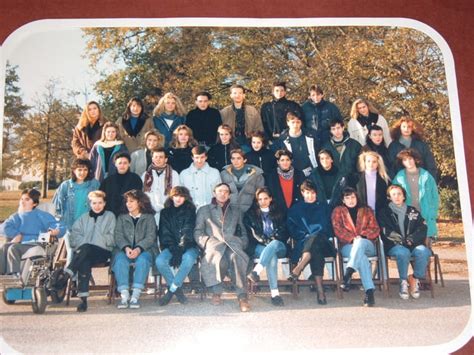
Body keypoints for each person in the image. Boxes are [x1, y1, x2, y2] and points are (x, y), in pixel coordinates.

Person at [194, 183, 250, 312]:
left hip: (233, 243)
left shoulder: (236, 210)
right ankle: (216, 292)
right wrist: (207, 242)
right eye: (220, 191)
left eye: (226, 191)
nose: (223, 194)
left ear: (229, 194)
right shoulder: (204, 210)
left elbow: (243, 231)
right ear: (214, 193)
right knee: (219, 259)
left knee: (237, 258)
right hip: (213, 244)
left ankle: (242, 296)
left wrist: (242, 242)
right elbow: (198, 232)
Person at [62, 191, 116, 312]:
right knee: (84, 259)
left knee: (85, 248)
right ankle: (83, 301)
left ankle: (67, 274)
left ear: (105, 203)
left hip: (103, 252)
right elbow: (74, 238)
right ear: (90, 204)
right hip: (85, 253)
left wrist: (96, 239)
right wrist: (87, 243)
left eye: (100, 203)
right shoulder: (83, 218)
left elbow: (113, 237)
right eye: (94, 203)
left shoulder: (110, 216)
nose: (97, 206)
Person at [286, 180, 336, 305]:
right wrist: (305, 235)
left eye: (313, 193)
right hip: (304, 242)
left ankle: (299, 267)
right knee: (315, 249)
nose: (311, 196)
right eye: (308, 193)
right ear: (302, 193)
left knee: (316, 238)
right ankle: (320, 292)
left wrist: (320, 235)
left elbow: (331, 226)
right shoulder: (296, 209)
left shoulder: (324, 207)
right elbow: (291, 228)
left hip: (324, 242)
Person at [378, 184, 431, 300]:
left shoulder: (413, 211)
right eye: (393, 194)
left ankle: (414, 278)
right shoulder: (384, 213)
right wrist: (401, 240)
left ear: (403, 196)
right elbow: (385, 231)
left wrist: (411, 239)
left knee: (424, 252)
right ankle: (403, 281)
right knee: (403, 253)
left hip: (413, 243)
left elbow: (422, 228)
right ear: (389, 197)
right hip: (395, 245)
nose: (396, 197)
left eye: (399, 194)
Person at [331, 187, 380, 307]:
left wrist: (362, 236)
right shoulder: (338, 211)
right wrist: (353, 238)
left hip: (367, 244)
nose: (351, 200)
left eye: (353, 197)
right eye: (347, 198)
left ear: (357, 197)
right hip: (347, 245)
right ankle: (369, 292)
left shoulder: (367, 210)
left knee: (360, 243)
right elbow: (338, 230)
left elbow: (375, 229)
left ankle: (348, 272)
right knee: (361, 258)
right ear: (343, 200)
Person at [0, 189, 64, 275]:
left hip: (35, 243)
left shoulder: (41, 215)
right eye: (22, 199)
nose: (22, 202)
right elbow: (3, 227)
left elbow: (59, 226)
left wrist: (56, 231)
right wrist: (16, 234)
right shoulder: (16, 216)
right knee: (4, 246)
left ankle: (13, 276)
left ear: (35, 203)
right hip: (20, 243)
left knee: (13, 248)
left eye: (27, 199)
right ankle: (3, 276)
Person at [244, 187, 289, 306]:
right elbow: (252, 234)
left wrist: (273, 239)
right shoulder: (250, 214)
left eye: (265, 198)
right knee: (271, 257)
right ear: (256, 201)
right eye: (260, 199)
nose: (263, 201)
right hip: (260, 246)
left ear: (270, 199)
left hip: (279, 245)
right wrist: (264, 240)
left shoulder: (280, 212)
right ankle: (275, 294)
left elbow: (285, 230)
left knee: (273, 245)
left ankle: (256, 270)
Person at [113, 190, 158, 309]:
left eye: (132, 201)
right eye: (127, 202)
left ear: (140, 202)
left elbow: (151, 236)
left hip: (145, 250)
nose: (128, 204)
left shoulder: (149, 218)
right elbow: (118, 235)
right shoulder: (122, 217)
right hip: (124, 250)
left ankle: (135, 296)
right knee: (120, 261)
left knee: (142, 261)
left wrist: (138, 249)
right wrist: (126, 248)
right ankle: (124, 296)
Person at [155, 186, 199, 306]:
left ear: (185, 198)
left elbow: (188, 230)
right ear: (171, 197)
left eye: (181, 196)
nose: (178, 199)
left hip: (189, 246)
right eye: (175, 196)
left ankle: (171, 290)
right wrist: (174, 248)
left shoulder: (191, 211)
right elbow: (164, 232)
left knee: (188, 258)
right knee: (160, 260)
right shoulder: (165, 212)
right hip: (171, 247)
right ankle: (177, 290)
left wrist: (181, 247)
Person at [52, 158, 100, 265]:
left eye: (85, 170)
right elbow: (56, 206)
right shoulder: (66, 186)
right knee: (71, 251)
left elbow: (100, 204)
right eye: (79, 169)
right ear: (74, 170)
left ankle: (78, 278)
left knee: (83, 251)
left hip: (88, 226)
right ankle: (69, 278)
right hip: (69, 226)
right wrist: (59, 224)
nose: (82, 172)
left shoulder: (94, 185)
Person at [392, 149, 439, 241]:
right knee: (411, 241)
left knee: (427, 244)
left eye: (410, 159)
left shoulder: (426, 176)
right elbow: (393, 196)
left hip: (425, 213)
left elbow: (435, 196)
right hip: (408, 215)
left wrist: (432, 213)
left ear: (415, 159)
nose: (408, 162)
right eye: (405, 160)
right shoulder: (399, 177)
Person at [388, 116, 437, 180]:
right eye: (404, 126)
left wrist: (430, 180)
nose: (406, 129)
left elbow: (430, 164)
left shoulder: (421, 144)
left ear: (413, 128)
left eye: (409, 127)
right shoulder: (393, 146)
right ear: (399, 128)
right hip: (402, 182)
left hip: (421, 180)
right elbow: (391, 167)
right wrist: (396, 183)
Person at [272, 110, 319, 177]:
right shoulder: (281, 141)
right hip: (293, 175)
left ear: (301, 123)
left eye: (298, 122)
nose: (295, 125)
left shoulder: (311, 136)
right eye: (293, 122)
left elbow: (317, 154)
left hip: (312, 172)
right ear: (288, 123)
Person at [142, 147, 180, 225]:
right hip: (150, 212)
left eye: (161, 157)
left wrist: (166, 207)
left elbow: (176, 194)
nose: (158, 159)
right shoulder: (145, 175)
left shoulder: (174, 174)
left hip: (167, 212)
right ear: (152, 159)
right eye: (156, 157)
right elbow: (142, 194)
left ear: (166, 159)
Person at [220, 84, 263, 152]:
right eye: (235, 93)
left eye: (240, 93)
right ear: (231, 95)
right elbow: (220, 130)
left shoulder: (252, 110)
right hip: (231, 145)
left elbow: (259, 128)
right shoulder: (224, 112)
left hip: (248, 144)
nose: (237, 95)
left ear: (244, 95)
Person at [179, 145, 222, 210]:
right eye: (196, 157)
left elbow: (219, 194)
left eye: (202, 157)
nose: (199, 160)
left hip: (210, 210)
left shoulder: (215, 173)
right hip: (190, 211)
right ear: (192, 158)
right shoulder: (184, 174)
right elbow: (181, 195)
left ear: (206, 157)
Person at [356, 151, 390, 216]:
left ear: (378, 163)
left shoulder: (384, 180)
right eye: (368, 161)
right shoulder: (356, 178)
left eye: (374, 162)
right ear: (364, 162)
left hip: (379, 214)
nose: (371, 164)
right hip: (362, 214)